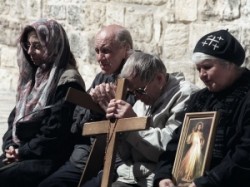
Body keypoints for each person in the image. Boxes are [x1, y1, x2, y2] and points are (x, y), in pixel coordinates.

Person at [38, 24, 135, 187]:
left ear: (126, 49)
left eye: (106, 51)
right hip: (86, 155)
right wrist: (95, 108)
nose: (100, 57)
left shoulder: (138, 78)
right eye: (97, 51)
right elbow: (78, 123)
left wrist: (114, 107)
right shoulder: (101, 78)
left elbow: (137, 125)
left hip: (118, 161)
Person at [153, 29, 250, 187]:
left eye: (207, 67)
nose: (201, 74)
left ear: (230, 65)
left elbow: (245, 154)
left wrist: (207, 182)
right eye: (198, 69)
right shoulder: (199, 99)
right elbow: (178, 141)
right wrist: (163, 175)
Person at [0, 19, 86, 187]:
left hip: (48, 158)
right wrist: (10, 145)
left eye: (37, 46)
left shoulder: (67, 80)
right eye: (28, 45)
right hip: (24, 151)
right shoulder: (35, 75)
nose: (30, 51)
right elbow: (15, 117)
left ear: (53, 46)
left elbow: (54, 132)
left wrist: (21, 152)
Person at [105, 51, 199, 187]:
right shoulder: (140, 103)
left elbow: (169, 149)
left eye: (140, 90)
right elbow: (127, 155)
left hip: (162, 178)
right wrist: (118, 126)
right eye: (133, 92)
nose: (137, 97)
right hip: (132, 175)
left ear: (159, 79)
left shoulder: (186, 95)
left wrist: (132, 124)